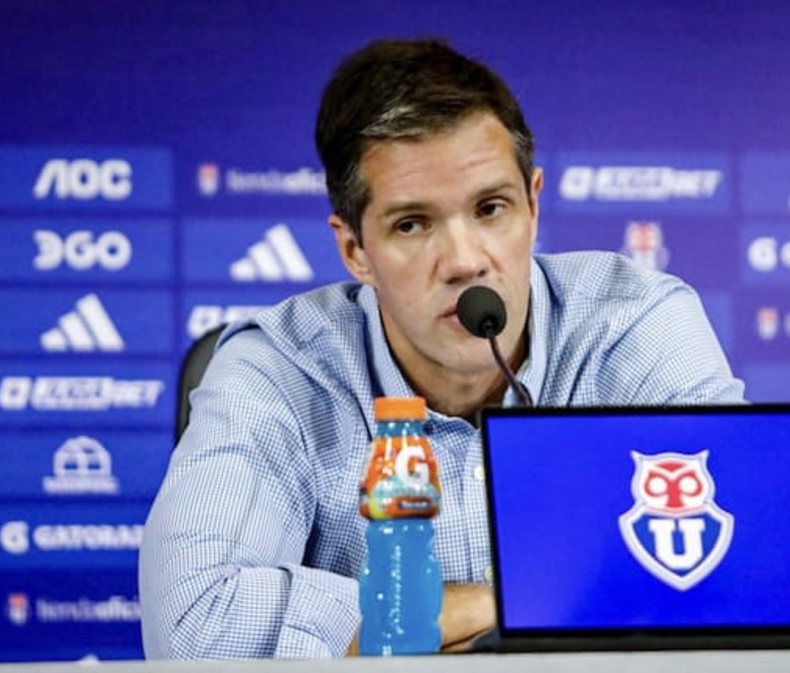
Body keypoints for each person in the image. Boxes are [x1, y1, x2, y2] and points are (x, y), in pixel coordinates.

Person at [139, 38, 745, 659]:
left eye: (491, 209)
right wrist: (506, 607)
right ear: (354, 250)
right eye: (412, 224)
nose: (463, 262)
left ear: (533, 206)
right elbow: (194, 626)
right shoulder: (280, 370)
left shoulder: (632, 324)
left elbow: (755, 565)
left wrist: (387, 633)